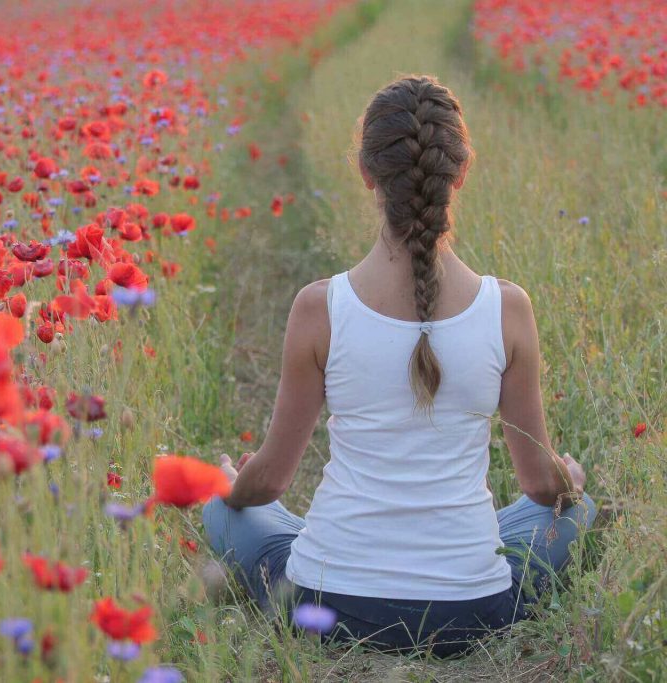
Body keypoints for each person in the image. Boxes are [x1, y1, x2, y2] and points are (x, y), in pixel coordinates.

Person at [201, 74, 596, 658]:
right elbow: (540, 485)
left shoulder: (320, 308)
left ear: (366, 174)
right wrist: (571, 482)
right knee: (577, 510)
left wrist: (232, 486)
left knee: (221, 505)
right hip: (472, 613)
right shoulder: (507, 309)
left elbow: (271, 482)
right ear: (459, 174)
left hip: (326, 603)